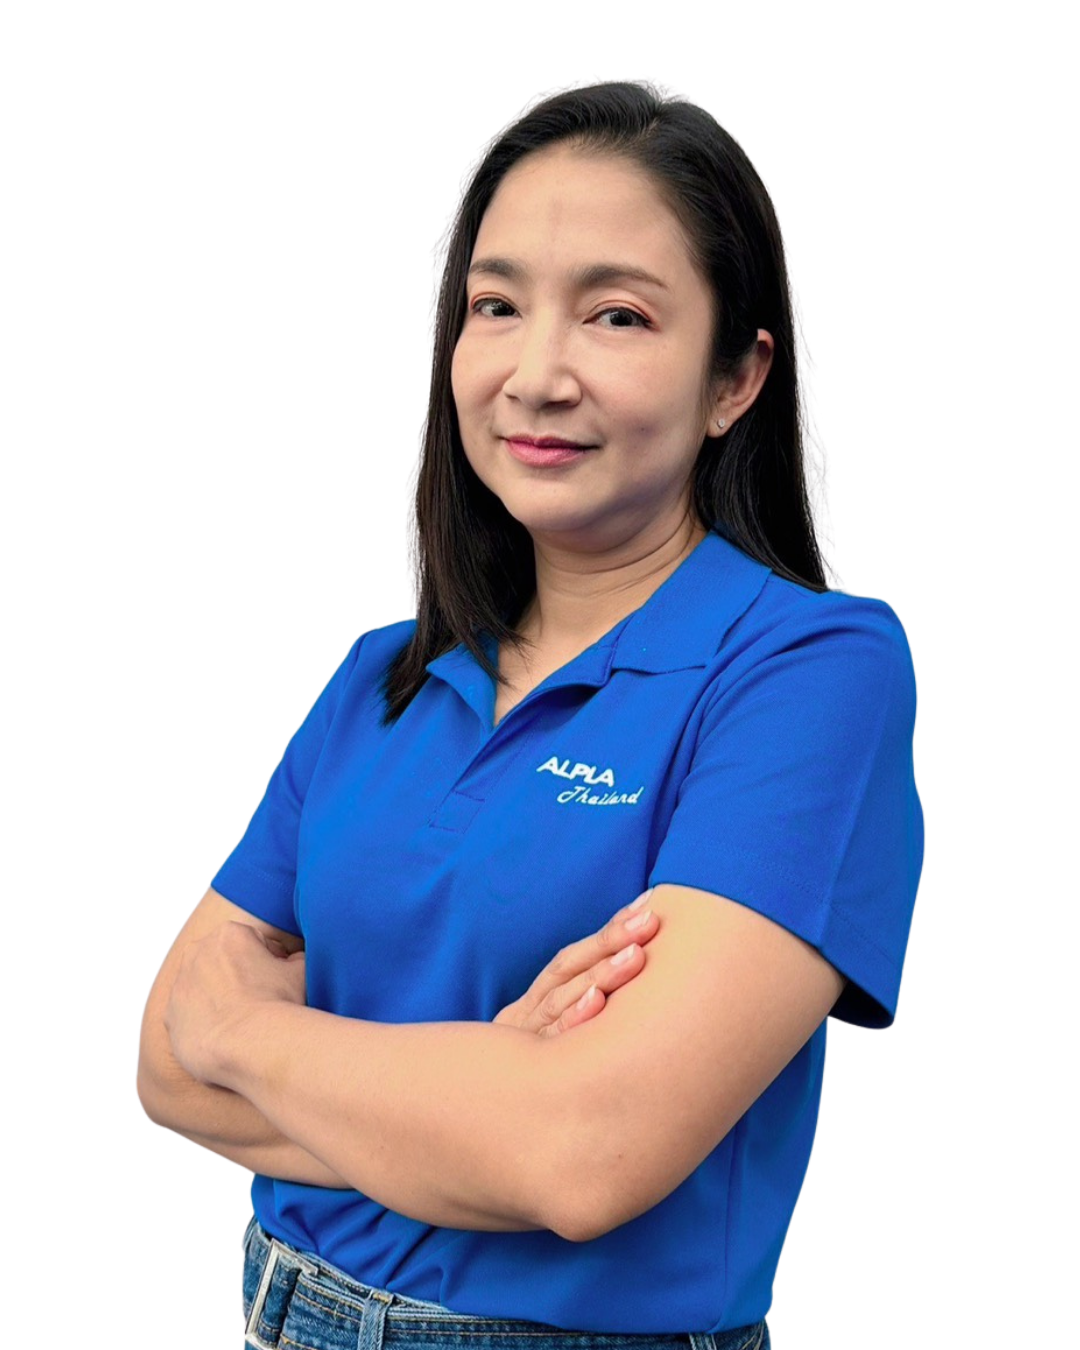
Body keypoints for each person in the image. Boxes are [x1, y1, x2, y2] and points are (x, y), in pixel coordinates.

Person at [137, 81, 923, 1349]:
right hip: (281, 1308)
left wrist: (250, 1030)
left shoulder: (809, 673)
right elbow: (164, 1069)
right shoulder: (381, 677)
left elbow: (583, 1156)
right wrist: (485, 1080)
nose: (536, 372)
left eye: (616, 315)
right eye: (496, 306)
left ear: (736, 378)